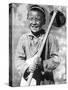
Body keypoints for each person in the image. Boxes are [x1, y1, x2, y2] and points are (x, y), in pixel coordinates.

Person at [15, 5, 60, 86]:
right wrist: (27, 68)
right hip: (28, 80)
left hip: (45, 81)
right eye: (31, 19)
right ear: (27, 20)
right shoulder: (23, 39)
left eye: (38, 19)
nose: (34, 22)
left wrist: (42, 64)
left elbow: (56, 59)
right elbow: (18, 59)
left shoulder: (50, 38)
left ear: (44, 21)